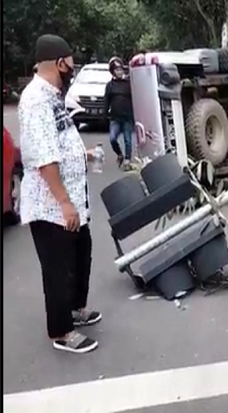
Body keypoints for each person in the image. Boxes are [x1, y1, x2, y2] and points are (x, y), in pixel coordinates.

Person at [18, 34, 101, 354]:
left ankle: (75, 309)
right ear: (58, 62)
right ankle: (61, 331)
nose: (73, 66)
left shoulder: (54, 96)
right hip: (51, 205)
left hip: (69, 201)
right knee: (58, 267)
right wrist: (65, 203)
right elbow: (45, 159)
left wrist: (86, 155)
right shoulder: (36, 100)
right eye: (70, 61)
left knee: (81, 254)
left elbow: (62, 140)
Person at [103, 56, 134, 171]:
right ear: (112, 72)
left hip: (127, 117)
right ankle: (119, 154)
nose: (119, 72)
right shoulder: (110, 86)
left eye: (121, 69)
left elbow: (134, 99)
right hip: (115, 118)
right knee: (112, 138)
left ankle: (127, 160)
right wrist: (104, 115)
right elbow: (106, 101)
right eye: (117, 70)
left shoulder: (128, 84)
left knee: (128, 140)